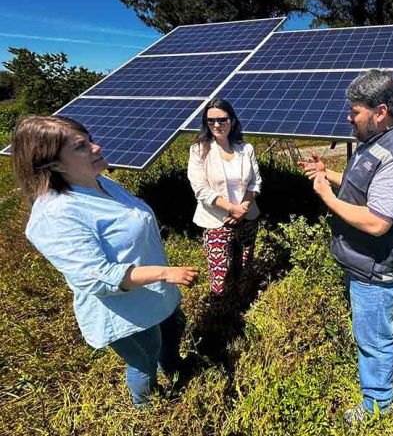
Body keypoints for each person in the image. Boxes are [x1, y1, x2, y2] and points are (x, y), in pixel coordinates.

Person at [11, 115, 199, 407]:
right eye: (81, 146)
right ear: (53, 163)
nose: (97, 147)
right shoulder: (57, 215)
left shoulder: (101, 182)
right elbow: (97, 278)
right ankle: (147, 407)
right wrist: (164, 272)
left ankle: (176, 372)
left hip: (154, 294)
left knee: (172, 333)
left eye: (90, 139)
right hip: (124, 310)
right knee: (145, 357)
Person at [298, 69, 393, 422]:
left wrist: (326, 196)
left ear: (380, 111)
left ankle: (377, 406)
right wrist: (329, 173)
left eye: (355, 111)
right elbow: (364, 187)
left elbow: (376, 221)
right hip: (360, 261)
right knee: (368, 331)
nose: (349, 117)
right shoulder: (374, 142)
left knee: (374, 341)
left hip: (375, 268)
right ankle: (376, 398)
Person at [187, 98, 262, 300]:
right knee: (220, 276)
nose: (217, 125)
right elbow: (201, 189)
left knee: (244, 265)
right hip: (216, 221)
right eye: (211, 121)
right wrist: (231, 208)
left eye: (222, 119)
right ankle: (221, 318)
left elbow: (256, 183)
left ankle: (242, 306)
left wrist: (243, 208)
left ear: (233, 121)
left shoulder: (245, 149)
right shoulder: (199, 150)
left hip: (247, 218)